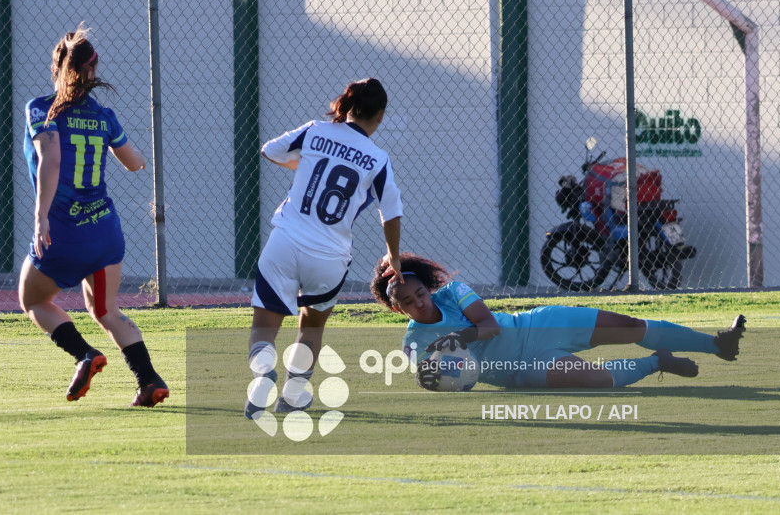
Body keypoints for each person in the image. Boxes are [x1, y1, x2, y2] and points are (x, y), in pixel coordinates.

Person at [19, 24, 168, 407]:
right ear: (92, 70)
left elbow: (51, 160)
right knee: (106, 309)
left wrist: (41, 218)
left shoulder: (41, 108)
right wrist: (131, 157)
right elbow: (135, 163)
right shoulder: (105, 115)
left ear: (56, 68)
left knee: (33, 300)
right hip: (104, 231)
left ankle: (86, 354)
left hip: (64, 232)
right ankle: (149, 380)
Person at [245, 78, 404, 418]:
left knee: (264, 327)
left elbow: (270, 150)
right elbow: (390, 213)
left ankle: (262, 376)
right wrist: (393, 255)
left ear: (348, 105)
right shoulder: (377, 158)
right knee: (312, 327)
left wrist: (306, 167)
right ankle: (293, 394)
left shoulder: (316, 131)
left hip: (285, 242)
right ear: (379, 116)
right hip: (330, 256)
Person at [370, 253, 745, 390]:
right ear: (399, 309)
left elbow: (490, 327)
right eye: (407, 302)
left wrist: (455, 339)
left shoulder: (453, 292)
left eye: (419, 294)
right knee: (597, 380)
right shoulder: (413, 342)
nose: (417, 303)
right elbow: (446, 380)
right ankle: (656, 362)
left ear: (426, 289)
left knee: (629, 324)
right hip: (519, 370)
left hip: (535, 326)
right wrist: (447, 374)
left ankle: (719, 344)